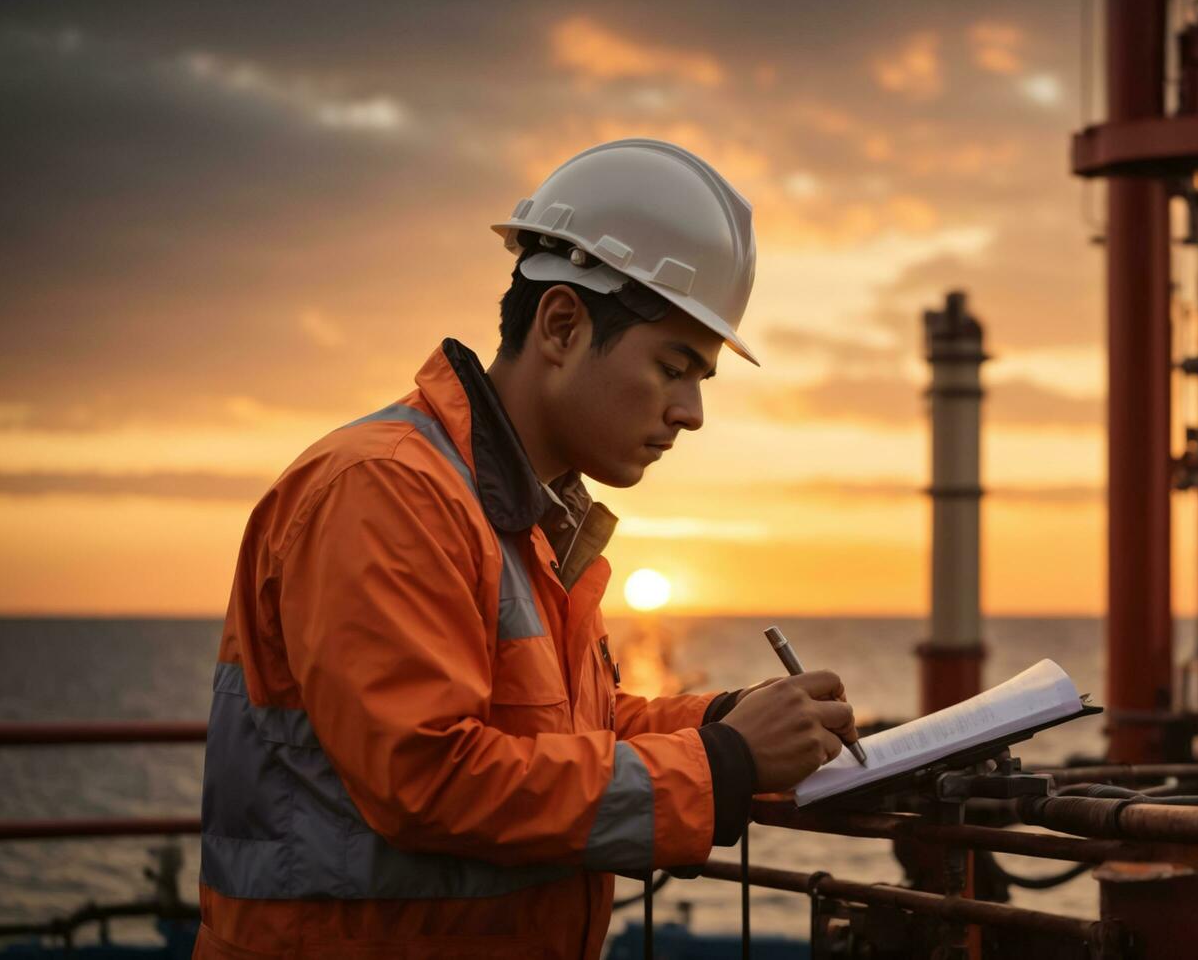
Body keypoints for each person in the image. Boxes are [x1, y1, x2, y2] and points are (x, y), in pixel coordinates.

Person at [194, 138, 859, 959]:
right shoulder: (384, 492)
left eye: (701, 380)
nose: (691, 412)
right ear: (562, 324)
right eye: (674, 367)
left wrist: (721, 722)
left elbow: (567, 731)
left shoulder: (521, 515)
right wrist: (720, 764)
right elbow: (429, 779)